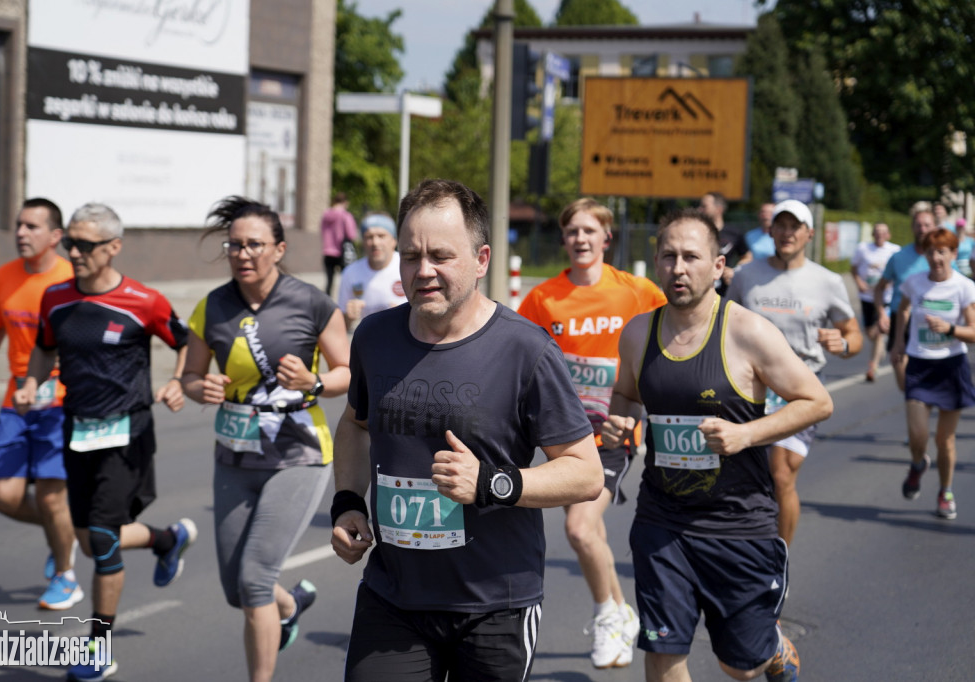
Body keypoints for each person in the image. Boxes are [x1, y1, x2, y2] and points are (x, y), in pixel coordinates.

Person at [330, 179, 603, 682]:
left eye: (440, 256)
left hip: (494, 603)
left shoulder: (527, 350)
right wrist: (347, 501)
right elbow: (355, 424)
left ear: (481, 260)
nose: (423, 271)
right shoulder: (375, 336)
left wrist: (492, 483)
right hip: (394, 595)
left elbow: (586, 474)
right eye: (411, 256)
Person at [602, 208, 833, 682]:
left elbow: (817, 401)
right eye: (669, 256)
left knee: (740, 666)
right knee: (664, 653)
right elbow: (626, 394)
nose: (679, 268)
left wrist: (746, 433)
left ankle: (770, 648)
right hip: (662, 519)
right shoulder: (638, 333)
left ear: (718, 267)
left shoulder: (749, 332)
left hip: (737, 522)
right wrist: (621, 421)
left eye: (691, 257)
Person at [14, 202, 195, 681]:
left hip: (127, 431)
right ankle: (167, 538)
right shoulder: (55, 299)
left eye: (85, 245)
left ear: (113, 248)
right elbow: (44, 348)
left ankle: (98, 647)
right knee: (90, 541)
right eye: (70, 242)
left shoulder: (143, 300)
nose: (73, 251)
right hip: (76, 429)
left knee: (100, 539)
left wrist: (180, 381)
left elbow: (186, 341)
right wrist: (33, 382)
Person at [181, 197, 351, 682]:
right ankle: (291, 603)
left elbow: (347, 371)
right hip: (234, 455)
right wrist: (201, 387)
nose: (243, 253)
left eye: (254, 244)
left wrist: (313, 383)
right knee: (238, 589)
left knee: (255, 580)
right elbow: (191, 376)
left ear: (278, 249)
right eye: (234, 245)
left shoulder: (311, 302)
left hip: (297, 452)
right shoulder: (211, 307)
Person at [517, 197, 665, 669]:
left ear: (606, 237)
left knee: (579, 527)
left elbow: (675, 330)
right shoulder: (544, 298)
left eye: (589, 230)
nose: (580, 239)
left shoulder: (635, 291)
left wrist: (648, 400)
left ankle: (607, 615)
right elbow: (516, 351)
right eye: (572, 231)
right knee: (590, 529)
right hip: (563, 434)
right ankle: (622, 612)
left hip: (616, 431)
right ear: (563, 239)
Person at [0, 198, 81, 610]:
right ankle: (61, 534)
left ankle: (66, 576)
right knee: (4, 495)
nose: (20, 233)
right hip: (16, 401)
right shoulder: (4, 277)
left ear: (55, 236)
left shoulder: (73, 280)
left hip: (61, 401)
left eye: (31, 226)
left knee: (53, 497)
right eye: (18, 225)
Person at [727, 199, 862, 546]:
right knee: (744, 476)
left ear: (809, 233)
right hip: (749, 387)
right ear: (770, 230)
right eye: (781, 226)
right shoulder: (746, 276)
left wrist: (842, 344)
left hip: (799, 390)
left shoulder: (827, 281)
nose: (787, 233)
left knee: (782, 473)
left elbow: (853, 335)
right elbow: (725, 325)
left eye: (795, 227)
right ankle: (745, 543)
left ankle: (778, 557)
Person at [890, 227, 975, 520]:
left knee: (945, 441)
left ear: (953, 253)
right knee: (918, 435)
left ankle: (945, 491)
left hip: (951, 367)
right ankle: (917, 464)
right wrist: (899, 341)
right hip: (919, 364)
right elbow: (901, 310)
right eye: (930, 252)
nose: (936, 258)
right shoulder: (914, 283)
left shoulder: (964, 287)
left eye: (942, 251)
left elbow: (973, 332)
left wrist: (949, 329)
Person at [874, 209, 937, 391]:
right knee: (904, 380)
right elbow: (879, 288)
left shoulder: (941, 258)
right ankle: (913, 398)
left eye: (927, 225)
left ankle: (919, 401)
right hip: (900, 319)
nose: (922, 229)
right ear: (912, 228)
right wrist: (881, 314)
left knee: (927, 380)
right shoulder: (898, 257)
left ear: (934, 227)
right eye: (918, 225)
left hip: (929, 322)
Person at [336, 212, 407, 330]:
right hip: (369, 342)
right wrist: (348, 317)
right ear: (363, 242)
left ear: (394, 240)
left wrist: (405, 315)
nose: (375, 243)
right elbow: (341, 327)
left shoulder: (407, 265)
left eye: (381, 236)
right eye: (369, 237)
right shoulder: (351, 272)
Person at [851, 222, 900, 381]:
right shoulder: (863, 249)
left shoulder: (894, 250)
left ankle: (873, 366)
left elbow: (900, 272)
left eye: (883, 232)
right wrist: (859, 282)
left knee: (879, 330)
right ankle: (880, 347)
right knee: (870, 333)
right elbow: (854, 268)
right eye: (877, 232)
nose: (880, 235)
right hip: (867, 297)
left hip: (886, 297)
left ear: (888, 235)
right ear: (873, 234)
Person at [700, 191, 748, 296]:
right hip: (700, 290)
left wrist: (735, 271)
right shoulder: (696, 233)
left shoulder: (733, 232)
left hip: (725, 293)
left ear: (718, 209)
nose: (700, 210)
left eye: (704, 206)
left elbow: (747, 257)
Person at [320, 192, 358, 296]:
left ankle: (327, 304)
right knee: (346, 280)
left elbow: (322, 231)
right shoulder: (346, 215)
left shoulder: (325, 214)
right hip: (341, 252)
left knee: (329, 281)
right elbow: (351, 234)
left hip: (327, 251)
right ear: (345, 202)